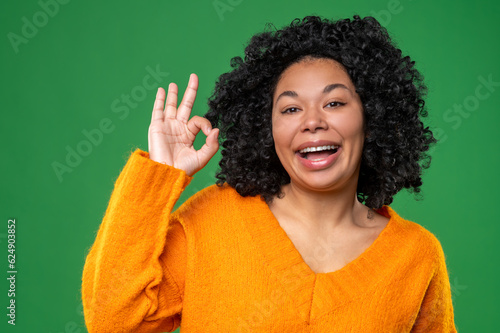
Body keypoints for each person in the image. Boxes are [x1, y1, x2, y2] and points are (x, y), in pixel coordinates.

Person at [81, 15, 457, 332]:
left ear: (371, 118)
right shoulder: (212, 220)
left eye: (334, 102)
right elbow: (112, 321)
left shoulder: (416, 256)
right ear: (269, 129)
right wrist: (159, 175)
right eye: (291, 109)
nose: (312, 122)